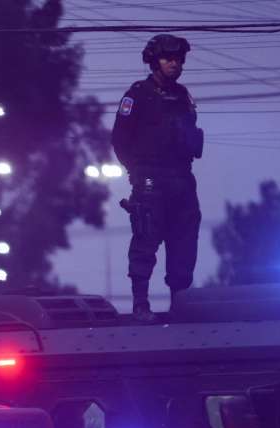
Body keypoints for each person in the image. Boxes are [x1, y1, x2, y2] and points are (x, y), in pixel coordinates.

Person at [112, 33, 204, 323]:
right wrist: (136, 172)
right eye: (167, 58)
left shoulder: (182, 96)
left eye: (178, 59)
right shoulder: (137, 94)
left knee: (184, 242)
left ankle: (181, 304)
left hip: (182, 178)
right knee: (146, 239)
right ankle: (141, 304)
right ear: (154, 61)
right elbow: (119, 139)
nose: (174, 64)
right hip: (150, 178)